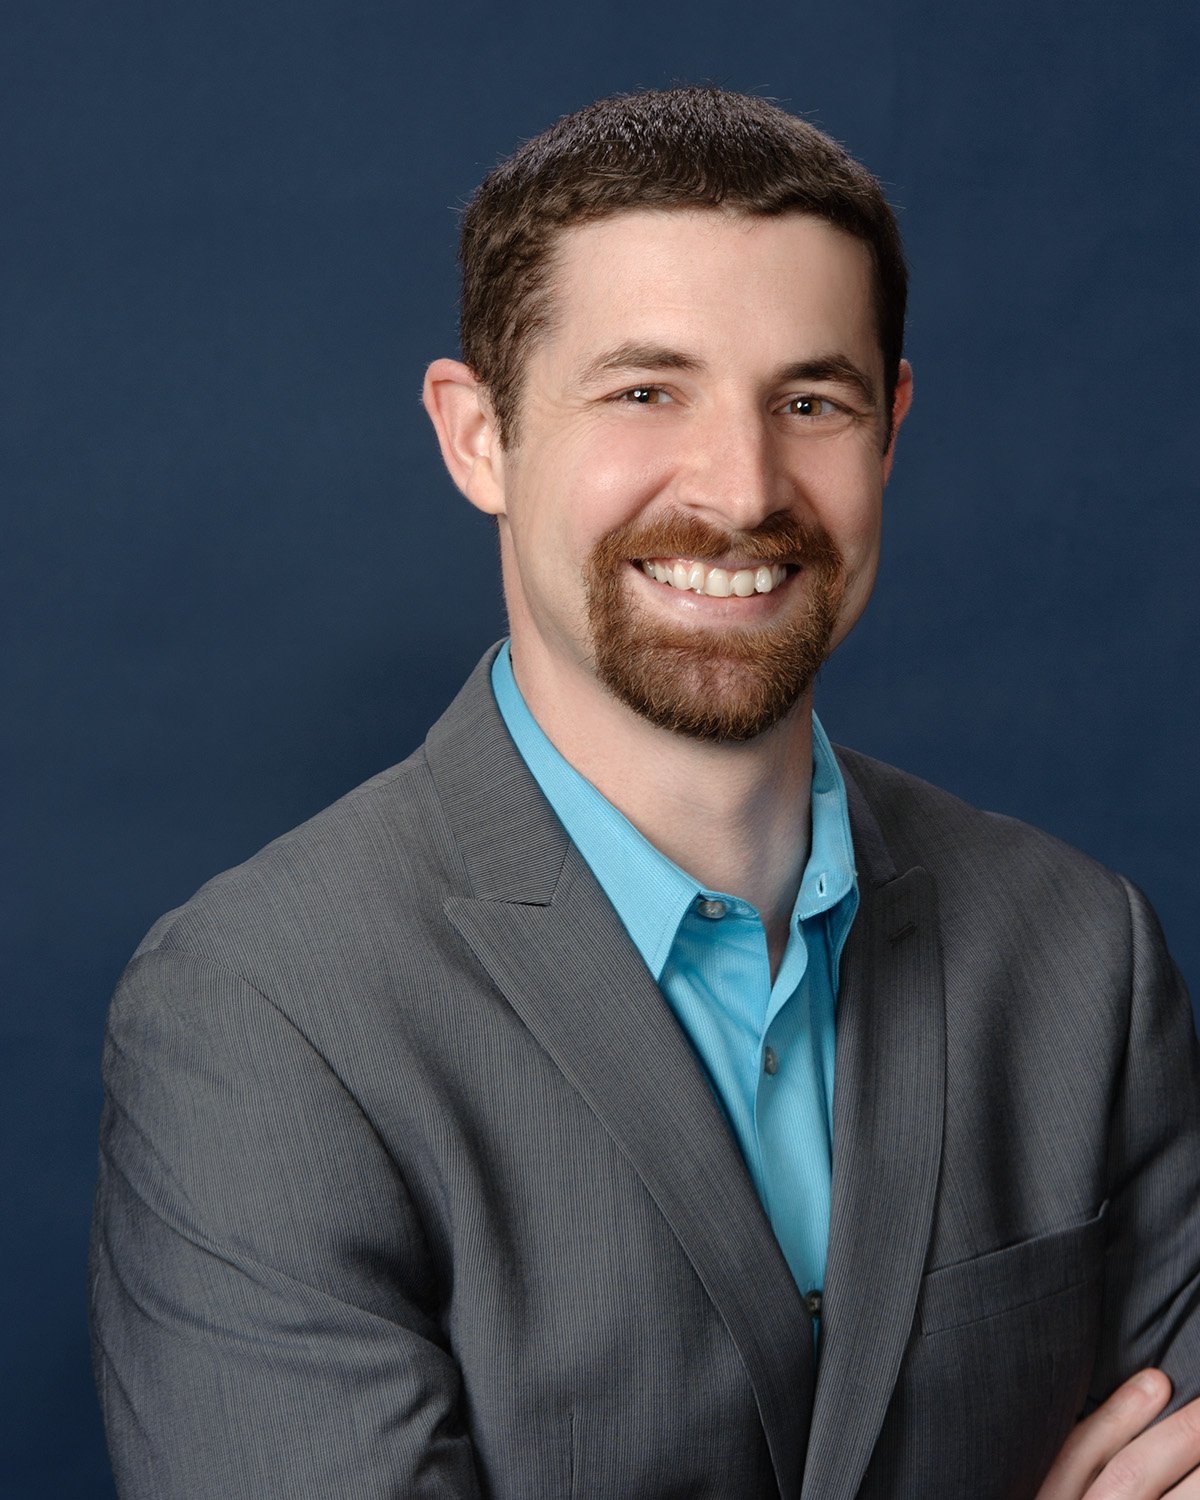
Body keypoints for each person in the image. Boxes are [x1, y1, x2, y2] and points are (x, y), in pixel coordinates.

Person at [90, 87, 1200, 1498]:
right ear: (478, 434)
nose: (741, 490)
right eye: (642, 391)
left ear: (890, 429)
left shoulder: (1082, 953)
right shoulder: (261, 1014)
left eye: (811, 400)